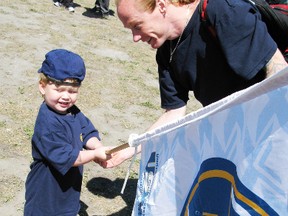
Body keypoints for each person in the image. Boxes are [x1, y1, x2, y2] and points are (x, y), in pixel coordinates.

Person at [101, 0, 288, 168]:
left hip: (273, 123)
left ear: (161, 5)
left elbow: (278, 73)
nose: (135, 37)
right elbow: (174, 113)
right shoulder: (167, 53)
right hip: (237, 130)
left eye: (137, 25)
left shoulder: (221, 10)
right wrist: (129, 149)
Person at [24, 49, 111, 215]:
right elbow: (67, 157)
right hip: (45, 196)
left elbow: (87, 131)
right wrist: (94, 155)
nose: (66, 97)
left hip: (67, 192)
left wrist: (98, 147)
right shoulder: (47, 122)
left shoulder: (73, 111)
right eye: (59, 90)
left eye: (72, 91)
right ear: (42, 87)